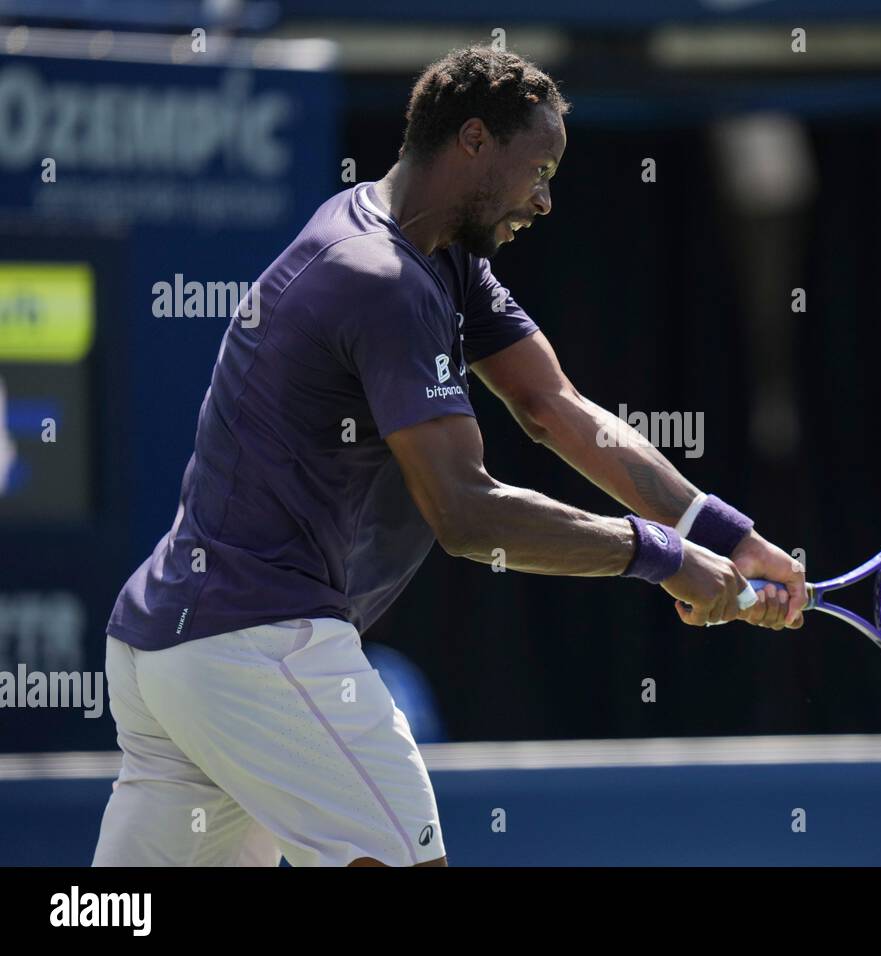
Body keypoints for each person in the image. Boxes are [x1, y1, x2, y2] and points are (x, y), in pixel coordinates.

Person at [92, 47, 806, 868]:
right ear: (473, 140)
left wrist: (723, 532)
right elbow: (467, 515)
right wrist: (661, 556)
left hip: (168, 650)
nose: (544, 199)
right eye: (537, 169)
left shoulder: (432, 250)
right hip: (256, 646)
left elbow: (555, 409)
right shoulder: (382, 279)